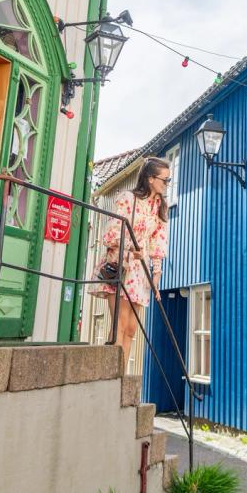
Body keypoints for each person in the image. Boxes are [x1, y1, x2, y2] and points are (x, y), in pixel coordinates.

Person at [90, 157, 170, 367]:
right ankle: (111, 376)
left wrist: (156, 275)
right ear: (151, 179)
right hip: (121, 267)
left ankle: (121, 376)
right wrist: (129, 247)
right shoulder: (128, 198)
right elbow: (111, 233)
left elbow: (158, 244)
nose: (167, 184)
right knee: (120, 323)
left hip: (140, 274)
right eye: (165, 180)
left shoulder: (160, 207)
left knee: (132, 328)